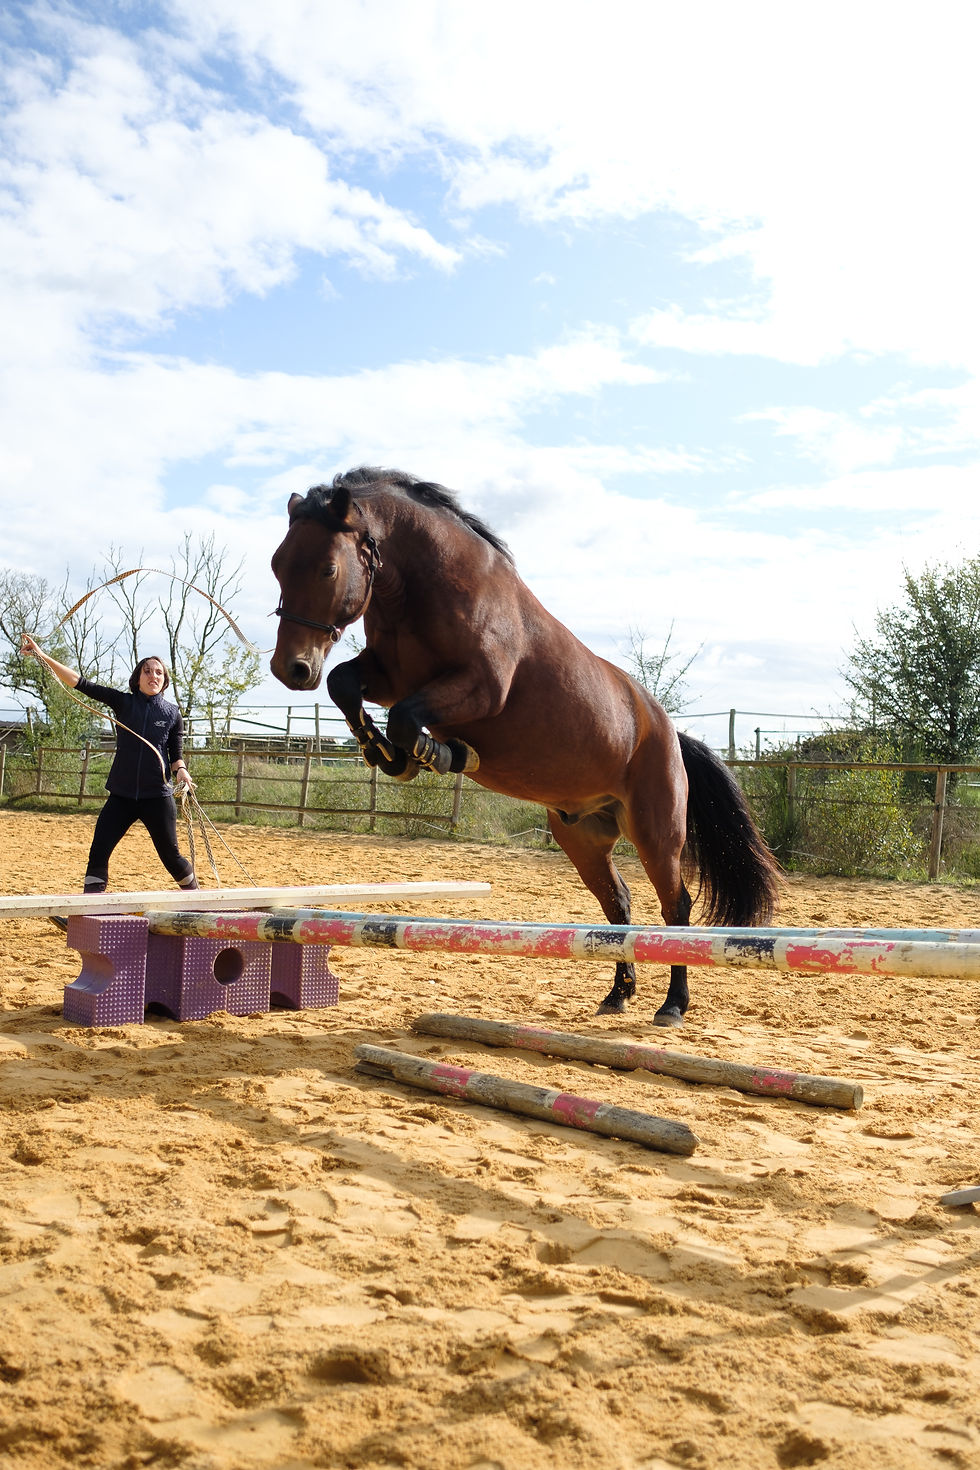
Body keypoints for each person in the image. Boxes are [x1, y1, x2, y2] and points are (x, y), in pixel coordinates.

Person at [20, 635, 198, 895]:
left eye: (159, 672)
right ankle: (91, 906)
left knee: (171, 857)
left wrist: (181, 771)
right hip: (122, 796)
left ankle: (196, 898)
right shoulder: (123, 702)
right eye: (147, 671)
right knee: (99, 851)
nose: (153, 675)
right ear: (138, 679)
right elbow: (79, 682)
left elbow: (176, 755)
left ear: (165, 680)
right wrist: (41, 655)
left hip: (157, 797)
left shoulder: (172, 713)